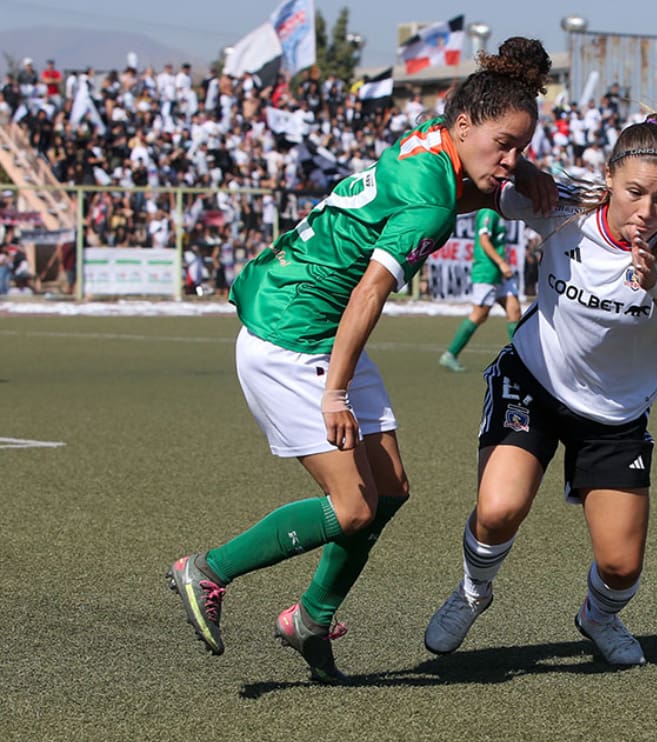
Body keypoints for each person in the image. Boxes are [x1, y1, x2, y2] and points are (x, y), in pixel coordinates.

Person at [166, 37, 558, 684]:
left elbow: (473, 175)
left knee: (392, 490)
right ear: (465, 125)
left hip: (311, 314)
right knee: (352, 507)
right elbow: (371, 291)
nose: (512, 160)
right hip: (293, 332)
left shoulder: (434, 134)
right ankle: (207, 570)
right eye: (506, 145)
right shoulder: (432, 200)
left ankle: (310, 620)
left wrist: (523, 172)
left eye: (522, 145)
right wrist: (334, 394)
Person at [423, 113, 657, 667]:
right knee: (499, 508)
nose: (648, 211)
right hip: (534, 382)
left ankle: (597, 617)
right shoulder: (563, 208)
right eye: (634, 193)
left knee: (622, 568)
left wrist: (654, 284)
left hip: (615, 416)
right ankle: (471, 592)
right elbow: (478, 187)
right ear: (608, 179)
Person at [439, 207, 522, 372]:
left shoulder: (497, 211)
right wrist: (501, 263)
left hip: (499, 274)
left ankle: (521, 360)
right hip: (487, 271)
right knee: (479, 314)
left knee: (515, 312)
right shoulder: (488, 212)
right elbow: (484, 240)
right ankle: (450, 355)